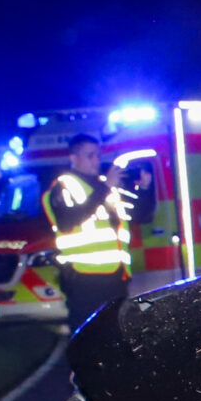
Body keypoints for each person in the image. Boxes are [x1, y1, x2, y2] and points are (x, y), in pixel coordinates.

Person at [43, 133, 134, 329]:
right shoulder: (64, 186)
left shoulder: (105, 185)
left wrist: (143, 188)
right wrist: (106, 187)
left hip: (116, 276)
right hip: (84, 278)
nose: (96, 160)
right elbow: (69, 221)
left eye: (98, 155)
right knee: (87, 337)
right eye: (90, 155)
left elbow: (137, 217)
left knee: (116, 334)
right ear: (73, 158)